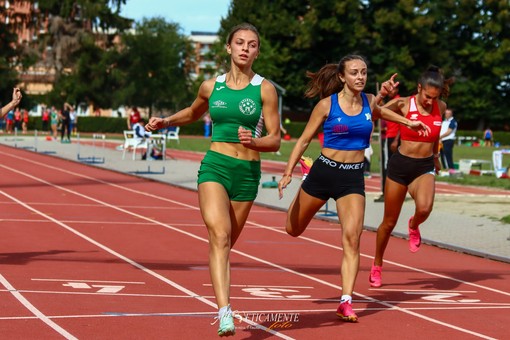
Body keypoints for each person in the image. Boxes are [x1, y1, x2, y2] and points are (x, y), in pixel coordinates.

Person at [145, 23, 280, 336]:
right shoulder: (211, 86)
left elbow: (275, 139)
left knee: (227, 242)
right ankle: (224, 313)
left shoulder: (264, 89)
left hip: (247, 173)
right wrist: (165, 121)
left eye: (252, 44)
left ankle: (223, 303)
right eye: (240, 43)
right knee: (219, 235)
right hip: (215, 166)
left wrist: (254, 142)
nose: (246, 48)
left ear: (258, 52)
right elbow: (193, 113)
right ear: (228, 48)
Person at [277, 54, 429, 323]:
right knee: (293, 229)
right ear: (341, 77)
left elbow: (382, 112)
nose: (360, 77)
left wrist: (409, 123)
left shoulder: (370, 101)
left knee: (352, 238)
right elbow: (303, 140)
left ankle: (345, 300)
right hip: (323, 172)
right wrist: (287, 172)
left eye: (364, 72)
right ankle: (305, 173)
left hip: (352, 178)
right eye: (355, 73)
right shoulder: (326, 105)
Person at [369, 66, 454, 288]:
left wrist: (435, 155)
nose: (430, 102)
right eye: (427, 96)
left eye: (434, 98)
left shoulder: (441, 107)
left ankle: (414, 224)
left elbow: (435, 136)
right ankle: (377, 264)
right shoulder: (404, 104)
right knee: (388, 223)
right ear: (419, 88)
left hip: (423, 167)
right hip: (400, 167)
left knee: (425, 208)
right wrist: (382, 95)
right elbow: (373, 112)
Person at [376, 88, 401, 202]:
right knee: (391, 165)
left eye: (393, 89)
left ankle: (388, 193)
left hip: (393, 137)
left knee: (389, 165)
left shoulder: (399, 102)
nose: (390, 91)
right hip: (390, 136)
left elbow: (403, 121)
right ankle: (390, 192)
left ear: (397, 89)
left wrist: (396, 140)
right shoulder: (392, 101)